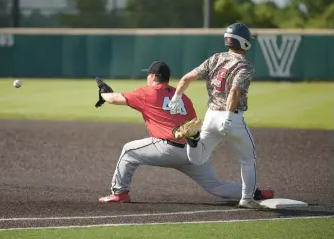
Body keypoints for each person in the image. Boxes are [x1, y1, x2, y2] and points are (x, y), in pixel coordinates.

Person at [95, 60, 273, 205]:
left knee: (128, 150)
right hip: (192, 151)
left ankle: (119, 193)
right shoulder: (183, 98)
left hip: (166, 148)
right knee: (216, 187)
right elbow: (193, 126)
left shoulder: (147, 92)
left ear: (154, 77)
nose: (147, 77)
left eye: (148, 74)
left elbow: (112, 99)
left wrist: (103, 92)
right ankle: (255, 192)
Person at [168, 23, 274, 209]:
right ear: (244, 42)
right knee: (248, 160)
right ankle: (247, 198)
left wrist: (176, 97)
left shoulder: (215, 58)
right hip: (231, 118)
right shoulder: (245, 65)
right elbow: (234, 91)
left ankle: (193, 140)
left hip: (210, 118)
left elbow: (186, 78)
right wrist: (229, 117)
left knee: (198, 158)